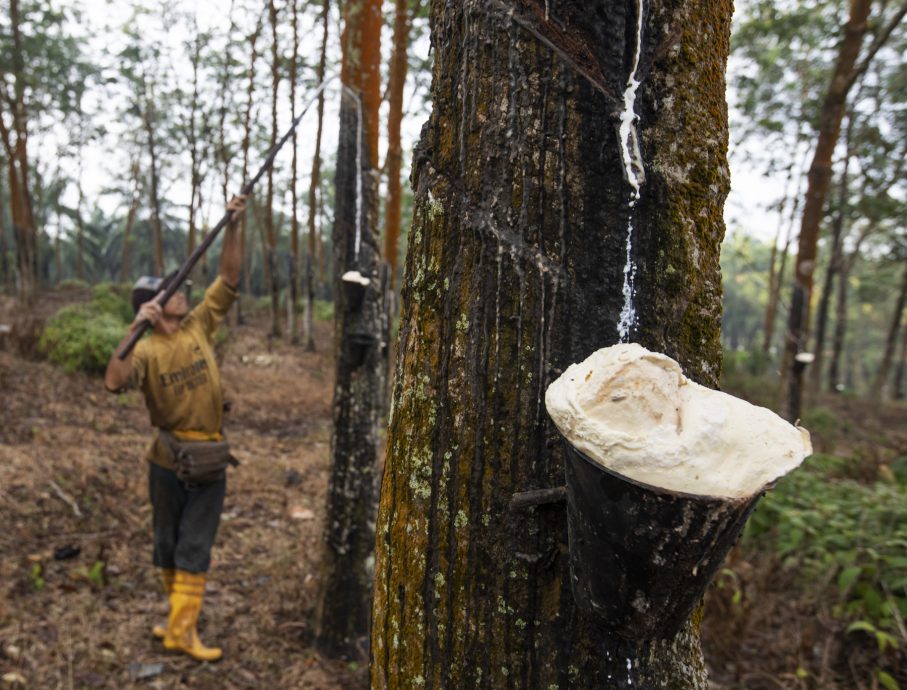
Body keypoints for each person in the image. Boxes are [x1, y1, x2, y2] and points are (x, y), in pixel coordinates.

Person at [104, 195, 246, 662]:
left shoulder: (198, 325)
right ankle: (175, 622)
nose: (183, 290)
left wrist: (234, 226)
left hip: (208, 460)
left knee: (194, 546)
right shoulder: (143, 350)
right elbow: (113, 381)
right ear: (153, 304)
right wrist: (132, 331)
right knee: (166, 545)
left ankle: (182, 630)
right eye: (173, 288)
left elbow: (228, 278)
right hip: (166, 463)